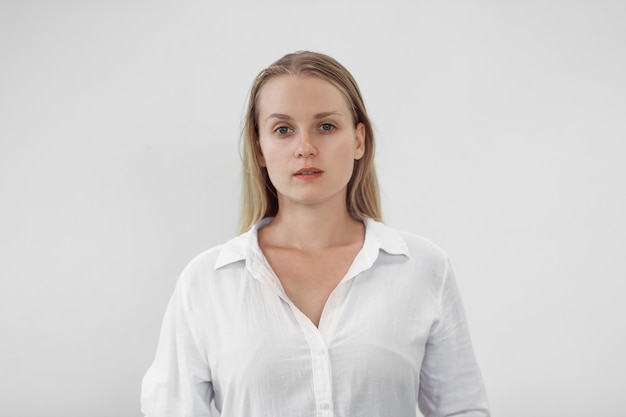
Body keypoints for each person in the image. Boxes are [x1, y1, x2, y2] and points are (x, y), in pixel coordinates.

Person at [141, 51, 490, 417]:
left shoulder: (423, 268)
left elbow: (462, 409)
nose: (305, 147)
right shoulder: (206, 282)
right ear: (259, 148)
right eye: (283, 130)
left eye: (325, 126)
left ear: (358, 140)